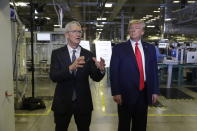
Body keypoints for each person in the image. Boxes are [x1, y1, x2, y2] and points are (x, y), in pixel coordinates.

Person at [49, 21, 105, 131]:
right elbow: (54, 76)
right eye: (75, 31)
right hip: (62, 102)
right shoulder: (57, 54)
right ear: (66, 35)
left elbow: (96, 77)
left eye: (80, 31)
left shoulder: (88, 54)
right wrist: (70, 68)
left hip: (83, 103)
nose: (78, 34)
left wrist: (101, 70)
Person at [110, 19, 160, 131]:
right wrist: (116, 91)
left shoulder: (150, 48)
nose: (133, 30)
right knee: (124, 124)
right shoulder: (119, 48)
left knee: (140, 125)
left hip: (144, 92)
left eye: (136, 28)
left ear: (142, 32)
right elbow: (114, 72)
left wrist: (155, 90)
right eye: (131, 28)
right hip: (125, 93)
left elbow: (153, 71)